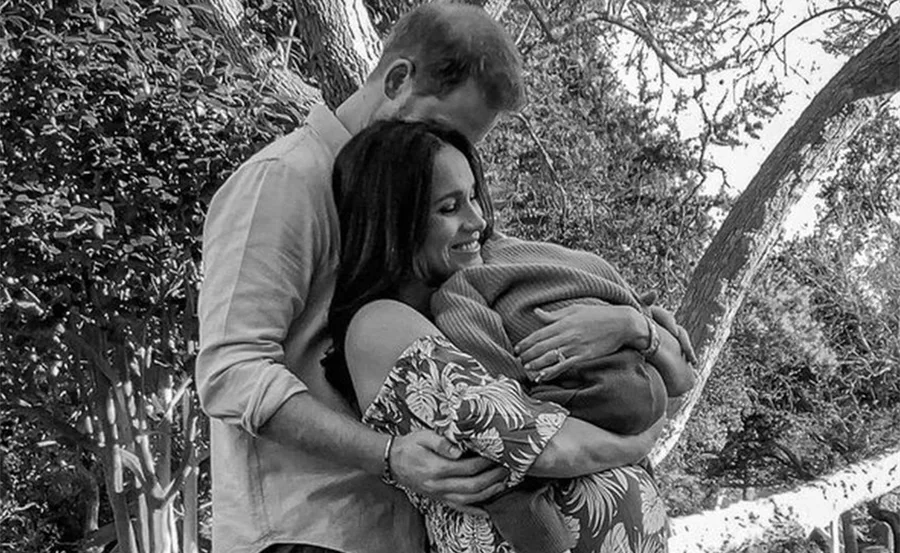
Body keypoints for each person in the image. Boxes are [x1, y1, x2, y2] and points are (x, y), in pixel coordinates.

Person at [196, 4, 660, 553]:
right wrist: (385, 455)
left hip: (401, 527)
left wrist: (631, 323)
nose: (446, 154)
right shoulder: (283, 183)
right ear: (396, 81)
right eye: (443, 130)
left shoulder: (412, 197)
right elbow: (231, 371)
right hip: (309, 532)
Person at [326, 119, 694, 553]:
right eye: (449, 208)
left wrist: (633, 327)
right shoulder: (380, 325)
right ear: (391, 221)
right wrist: (642, 440)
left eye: (474, 198)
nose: (478, 219)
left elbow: (671, 384)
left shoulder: (490, 297)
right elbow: (543, 446)